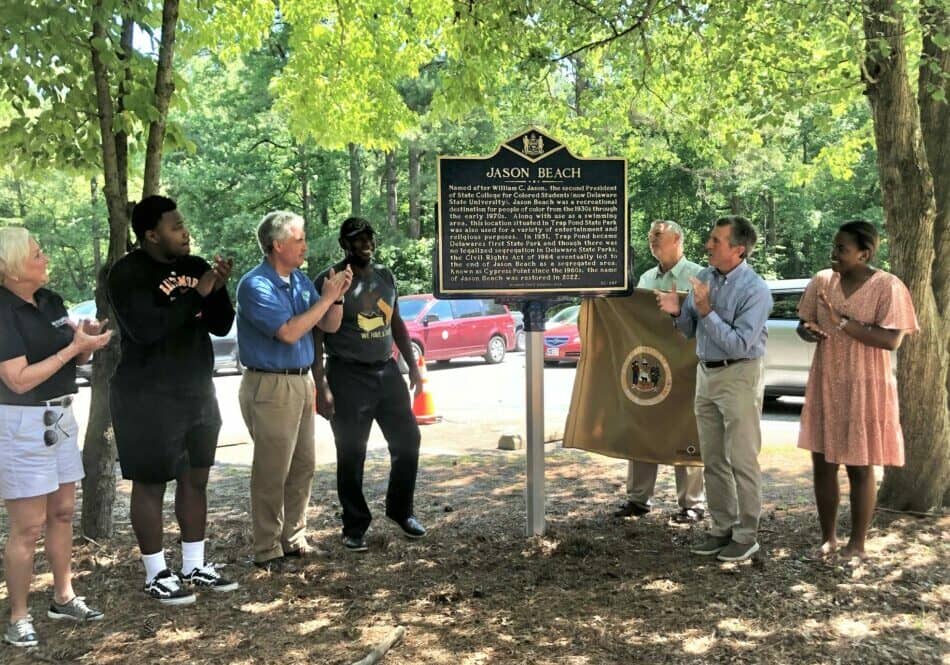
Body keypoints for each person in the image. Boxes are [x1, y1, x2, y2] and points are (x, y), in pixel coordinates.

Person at [108, 195, 238, 606]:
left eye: (184, 225)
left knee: (195, 477)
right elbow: (148, 328)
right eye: (175, 227)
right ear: (151, 235)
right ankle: (155, 573)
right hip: (146, 395)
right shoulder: (126, 274)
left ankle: (194, 564)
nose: (185, 232)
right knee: (149, 484)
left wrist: (217, 287)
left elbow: (221, 324)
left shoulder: (195, 266)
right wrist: (196, 295)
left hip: (198, 390)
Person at [0, 227, 112, 647]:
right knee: (28, 526)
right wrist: (70, 350)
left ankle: (63, 596)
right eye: (36, 254)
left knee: (63, 511)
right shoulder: (3, 311)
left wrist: (85, 343)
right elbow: (17, 379)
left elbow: (71, 357)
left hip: (61, 416)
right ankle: (18, 616)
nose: (44, 258)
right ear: (11, 267)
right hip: (22, 422)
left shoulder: (49, 301)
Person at [236, 211, 351, 570]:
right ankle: (266, 549)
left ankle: (293, 538)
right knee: (273, 469)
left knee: (303, 465)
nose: (305, 245)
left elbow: (328, 326)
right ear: (278, 244)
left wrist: (337, 297)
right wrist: (323, 298)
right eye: (299, 239)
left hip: (301, 380)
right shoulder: (256, 285)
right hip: (270, 384)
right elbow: (288, 332)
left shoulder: (299, 280)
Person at [796, 220, 918, 560]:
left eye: (842, 249)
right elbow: (803, 323)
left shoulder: (888, 287)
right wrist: (810, 331)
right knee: (823, 462)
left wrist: (843, 322)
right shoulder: (822, 281)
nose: (833, 253)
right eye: (834, 247)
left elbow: (892, 340)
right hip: (826, 381)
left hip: (866, 384)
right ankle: (829, 538)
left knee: (860, 466)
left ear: (865, 253)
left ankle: (857, 544)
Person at [655, 216, 772, 562]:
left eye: (716, 240)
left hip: (739, 374)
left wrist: (705, 311)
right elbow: (690, 331)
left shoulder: (755, 290)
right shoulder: (703, 278)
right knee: (714, 459)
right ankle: (722, 528)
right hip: (706, 374)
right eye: (709, 238)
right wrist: (679, 312)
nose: (707, 245)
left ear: (737, 250)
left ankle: (747, 535)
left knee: (742, 459)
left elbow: (738, 344)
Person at [313, 217, 426, 553]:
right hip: (347, 375)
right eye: (357, 239)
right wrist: (321, 386)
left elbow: (397, 322)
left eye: (369, 237)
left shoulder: (385, 276)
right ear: (344, 245)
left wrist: (415, 369)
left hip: (386, 371)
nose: (365, 244)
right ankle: (355, 524)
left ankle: (400, 511)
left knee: (408, 441)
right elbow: (317, 335)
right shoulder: (330, 279)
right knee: (351, 452)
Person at [614, 220, 706, 523]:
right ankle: (638, 499)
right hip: (651, 367)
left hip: (686, 367)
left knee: (686, 428)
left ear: (677, 238)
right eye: (650, 235)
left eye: (658, 235)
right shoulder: (645, 277)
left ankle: (692, 503)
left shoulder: (698, 276)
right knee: (643, 424)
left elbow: (704, 319)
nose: (652, 240)